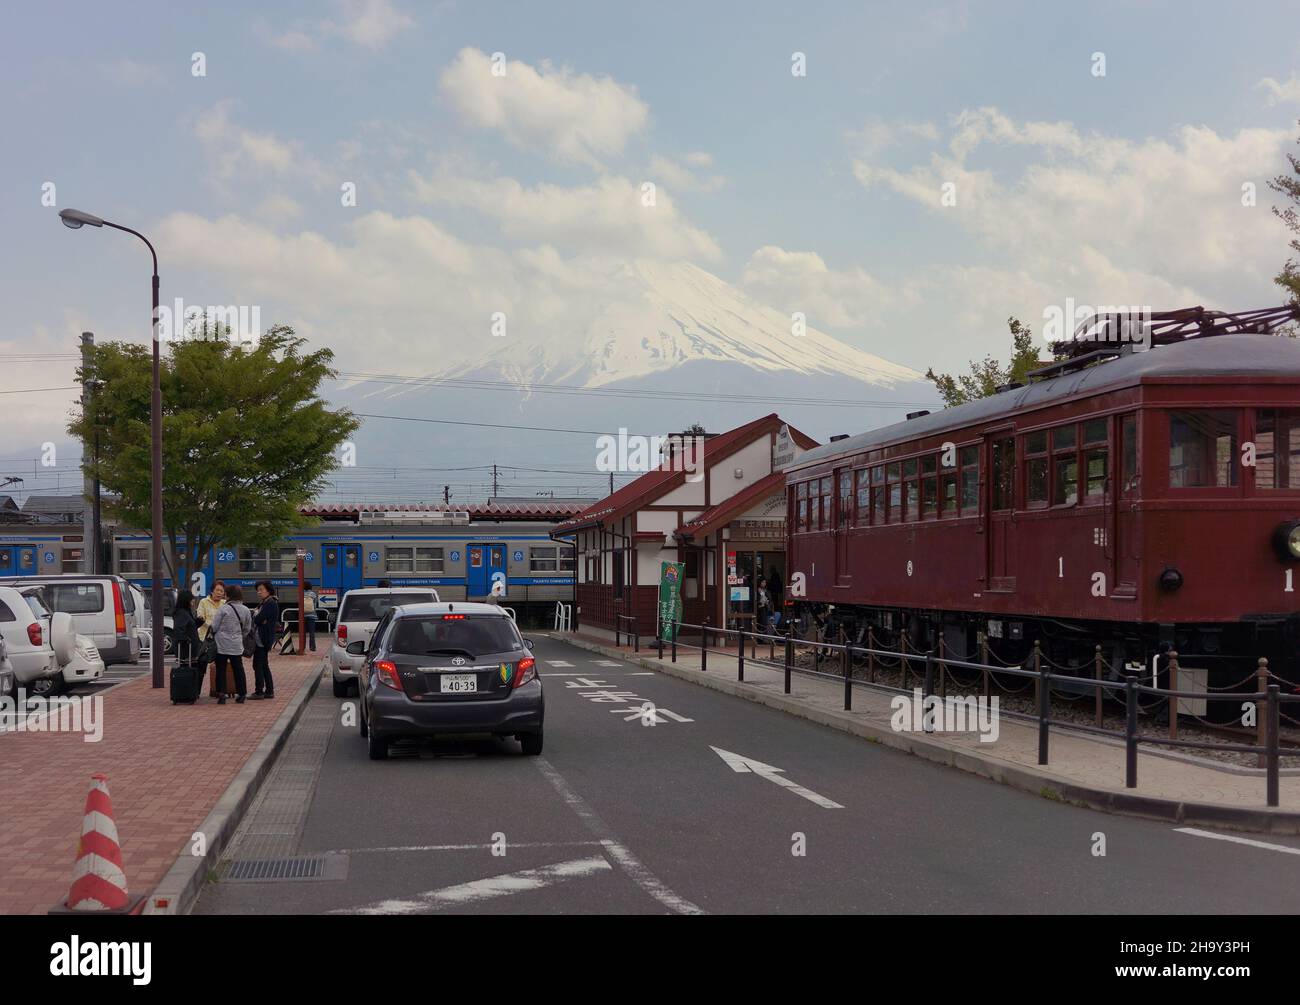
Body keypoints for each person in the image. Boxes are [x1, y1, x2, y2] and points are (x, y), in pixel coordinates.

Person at [209, 585, 251, 704]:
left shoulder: (223, 609)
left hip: (221, 644)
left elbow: (215, 626)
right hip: (236, 644)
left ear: (228, 595)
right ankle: (242, 694)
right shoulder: (246, 610)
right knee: (238, 669)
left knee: (221, 669)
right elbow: (247, 628)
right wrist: (238, 636)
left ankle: (222, 694)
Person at [197, 581, 227, 697]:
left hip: (220, 640)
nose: (219, 593)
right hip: (205, 639)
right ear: (212, 591)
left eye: (222, 591)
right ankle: (196, 692)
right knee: (201, 666)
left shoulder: (225, 604)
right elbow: (201, 618)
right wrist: (213, 626)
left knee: (220, 666)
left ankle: (219, 691)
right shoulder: (203, 602)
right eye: (217, 590)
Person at [252, 581, 279, 700]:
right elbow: (257, 618)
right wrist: (258, 618)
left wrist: (259, 618)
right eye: (257, 590)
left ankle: (260, 691)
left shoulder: (270, 603)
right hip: (261, 638)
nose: (259, 592)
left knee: (259, 665)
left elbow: (258, 619)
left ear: (268, 590)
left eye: (261, 589)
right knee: (263, 665)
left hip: (263, 639)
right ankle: (268, 690)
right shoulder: (264, 603)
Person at [171, 590, 203, 666]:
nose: (193, 600)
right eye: (191, 598)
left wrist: (198, 622)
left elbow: (189, 627)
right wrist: (187, 639)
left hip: (190, 649)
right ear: (186, 600)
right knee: (189, 671)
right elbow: (179, 629)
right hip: (186, 651)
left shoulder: (186, 612)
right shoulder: (181, 613)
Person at [302, 581, 320, 652]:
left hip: (303, 615)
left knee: (303, 632)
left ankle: (302, 647)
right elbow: (315, 605)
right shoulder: (313, 594)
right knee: (311, 632)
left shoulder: (302, 593)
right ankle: (312, 647)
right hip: (312, 615)